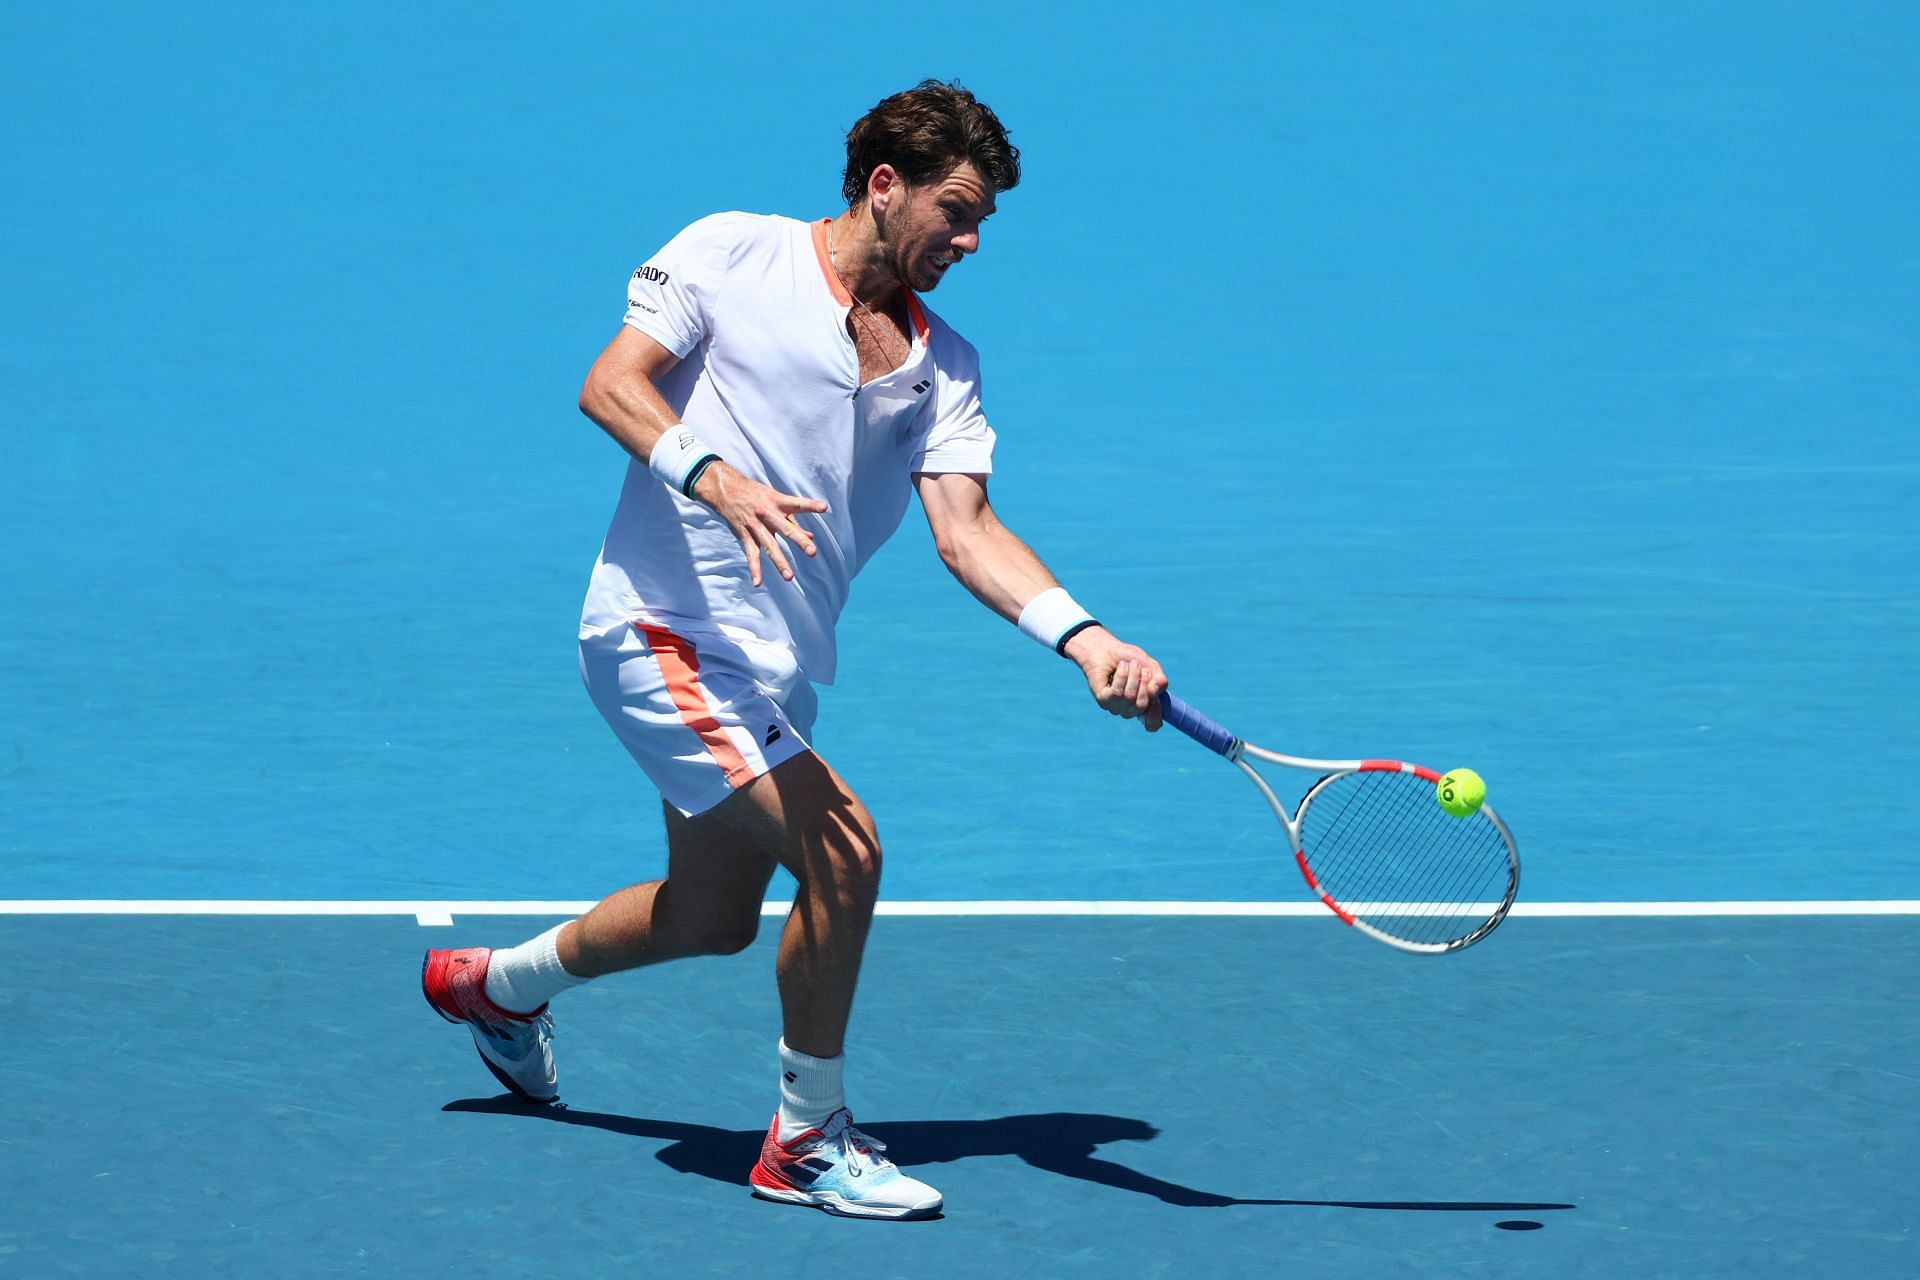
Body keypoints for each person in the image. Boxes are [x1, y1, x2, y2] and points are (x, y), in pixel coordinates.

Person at [422, 79, 1168, 1221]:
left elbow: (966, 532)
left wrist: (1086, 636)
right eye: (954, 213)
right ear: (885, 185)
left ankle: (495, 989)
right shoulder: (733, 254)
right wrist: (716, 482)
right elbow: (609, 385)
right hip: (659, 631)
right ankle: (805, 1137)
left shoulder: (946, 364)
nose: (968, 243)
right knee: (847, 851)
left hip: (771, 670)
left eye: (982, 225)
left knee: (709, 915)